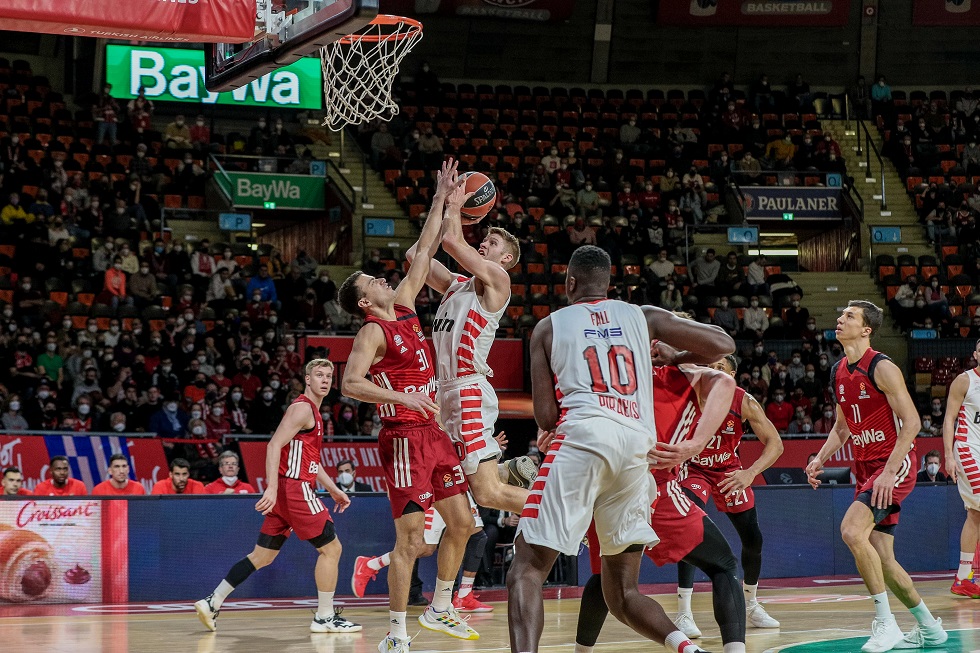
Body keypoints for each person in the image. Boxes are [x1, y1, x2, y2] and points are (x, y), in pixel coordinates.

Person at [511, 244, 735, 653]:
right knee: (622, 592)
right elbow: (722, 345)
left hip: (583, 438)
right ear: (610, 285)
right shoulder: (644, 315)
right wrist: (675, 354)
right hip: (635, 449)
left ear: (570, 282)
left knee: (526, 568)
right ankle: (690, 650)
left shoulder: (548, 327)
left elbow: (545, 418)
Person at [338, 160, 479, 652]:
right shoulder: (371, 331)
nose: (382, 280)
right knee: (411, 541)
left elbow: (424, 254)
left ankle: (441, 607)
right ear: (362, 302)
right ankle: (396, 634)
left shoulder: (400, 306)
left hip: (433, 433)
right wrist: (401, 395)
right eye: (371, 282)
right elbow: (351, 384)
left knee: (462, 523)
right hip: (402, 437)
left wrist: (442, 198)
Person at [574, 352, 747, 653]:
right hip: (654, 486)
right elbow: (723, 375)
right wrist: (696, 444)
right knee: (724, 563)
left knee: (609, 584)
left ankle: (582, 650)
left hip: (602, 482)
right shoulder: (689, 377)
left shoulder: (618, 372)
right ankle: (723, 648)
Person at [805, 301, 947, 652]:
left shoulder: (881, 367)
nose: (840, 319)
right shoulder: (838, 370)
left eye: (849, 316)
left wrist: (887, 472)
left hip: (893, 464)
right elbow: (841, 428)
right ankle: (931, 628)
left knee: (852, 531)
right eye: (840, 315)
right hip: (866, 466)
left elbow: (913, 423)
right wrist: (819, 458)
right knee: (883, 559)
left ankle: (886, 624)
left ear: (866, 329)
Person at [404, 166, 537, 516]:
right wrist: (438, 202)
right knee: (458, 487)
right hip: (442, 391)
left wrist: (454, 206)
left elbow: (450, 242)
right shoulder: (456, 284)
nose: (484, 242)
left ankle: (569, 515)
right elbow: (414, 256)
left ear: (505, 258)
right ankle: (509, 470)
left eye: (492, 243)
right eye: (485, 239)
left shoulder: (498, 279)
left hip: (468, 389)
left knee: (487, 493)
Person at [194, 359, 361, 635]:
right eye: (319, 375)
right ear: (307, 379)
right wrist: (271, 488)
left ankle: (213, 601)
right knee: (332, 549)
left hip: (289, 490)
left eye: (329, 376)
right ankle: (324, 617)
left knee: (262, 556)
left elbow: (310, 461)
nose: (325, 380)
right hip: (294, 489)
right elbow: (273, 445)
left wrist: (333, 489)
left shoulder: (315, 413)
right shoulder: (302, 408)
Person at [674, 354, 783, 638]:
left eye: (719, 368)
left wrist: (750, 473)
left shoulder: (743, 401)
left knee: (753, 538)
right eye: (708, 367)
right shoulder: (689, 393)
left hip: (728, 471)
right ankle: (684, 612)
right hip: (693, 467)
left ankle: (752, 604)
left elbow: (775, 444)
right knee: (690, 528)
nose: (712, 372)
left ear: (732, 375)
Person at [942, 343, 980, 598]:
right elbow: (948, 419)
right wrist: (947, 456)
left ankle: (963, 578)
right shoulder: (964, 381)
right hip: (967, 448)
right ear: (976, 355)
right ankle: (964, 577)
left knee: (976, 515)